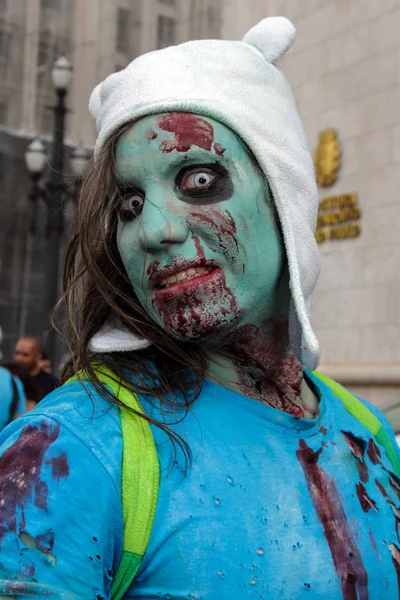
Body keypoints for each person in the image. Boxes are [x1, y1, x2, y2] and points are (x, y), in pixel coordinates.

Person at [0, 17, 399, 599]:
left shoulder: (368, 434)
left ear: (284, 197)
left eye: (199, 178)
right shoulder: (62, 451)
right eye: (131, 202)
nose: (153, 230)